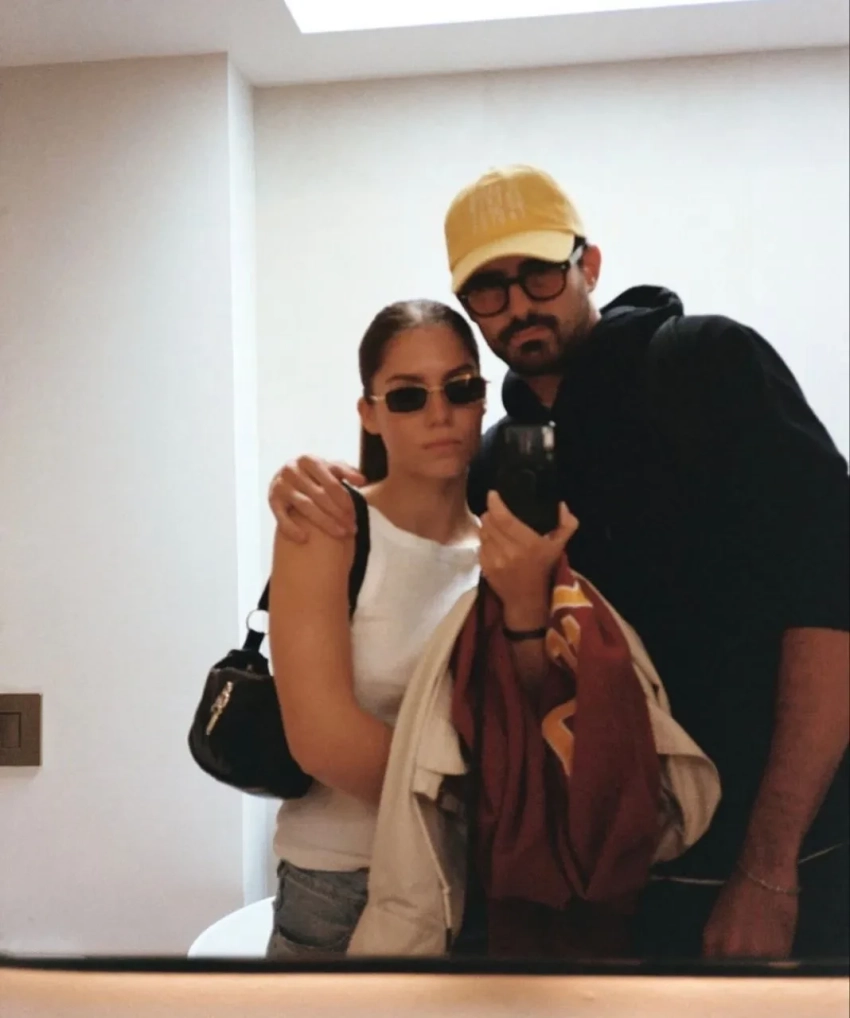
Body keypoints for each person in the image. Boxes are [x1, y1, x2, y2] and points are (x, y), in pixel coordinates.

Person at [268, 165, 850, 960]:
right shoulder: (501, 464)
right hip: (598, 890)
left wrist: (769, 868)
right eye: (489, 288)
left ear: (589, 265)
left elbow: (829, 599)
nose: (518, 304)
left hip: (781, 868)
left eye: (539, 272)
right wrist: (318, 482)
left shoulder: (709, 366)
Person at [265, 296, 577, 958]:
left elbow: (529, 711)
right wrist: (498, 806)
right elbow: (321, 740)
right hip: (343, 886)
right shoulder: (330, 525)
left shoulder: (502, 549)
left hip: (477, 890)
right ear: (370, 413)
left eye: (459, 389)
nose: (440, 414)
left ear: (483, 401)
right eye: (408, 397)